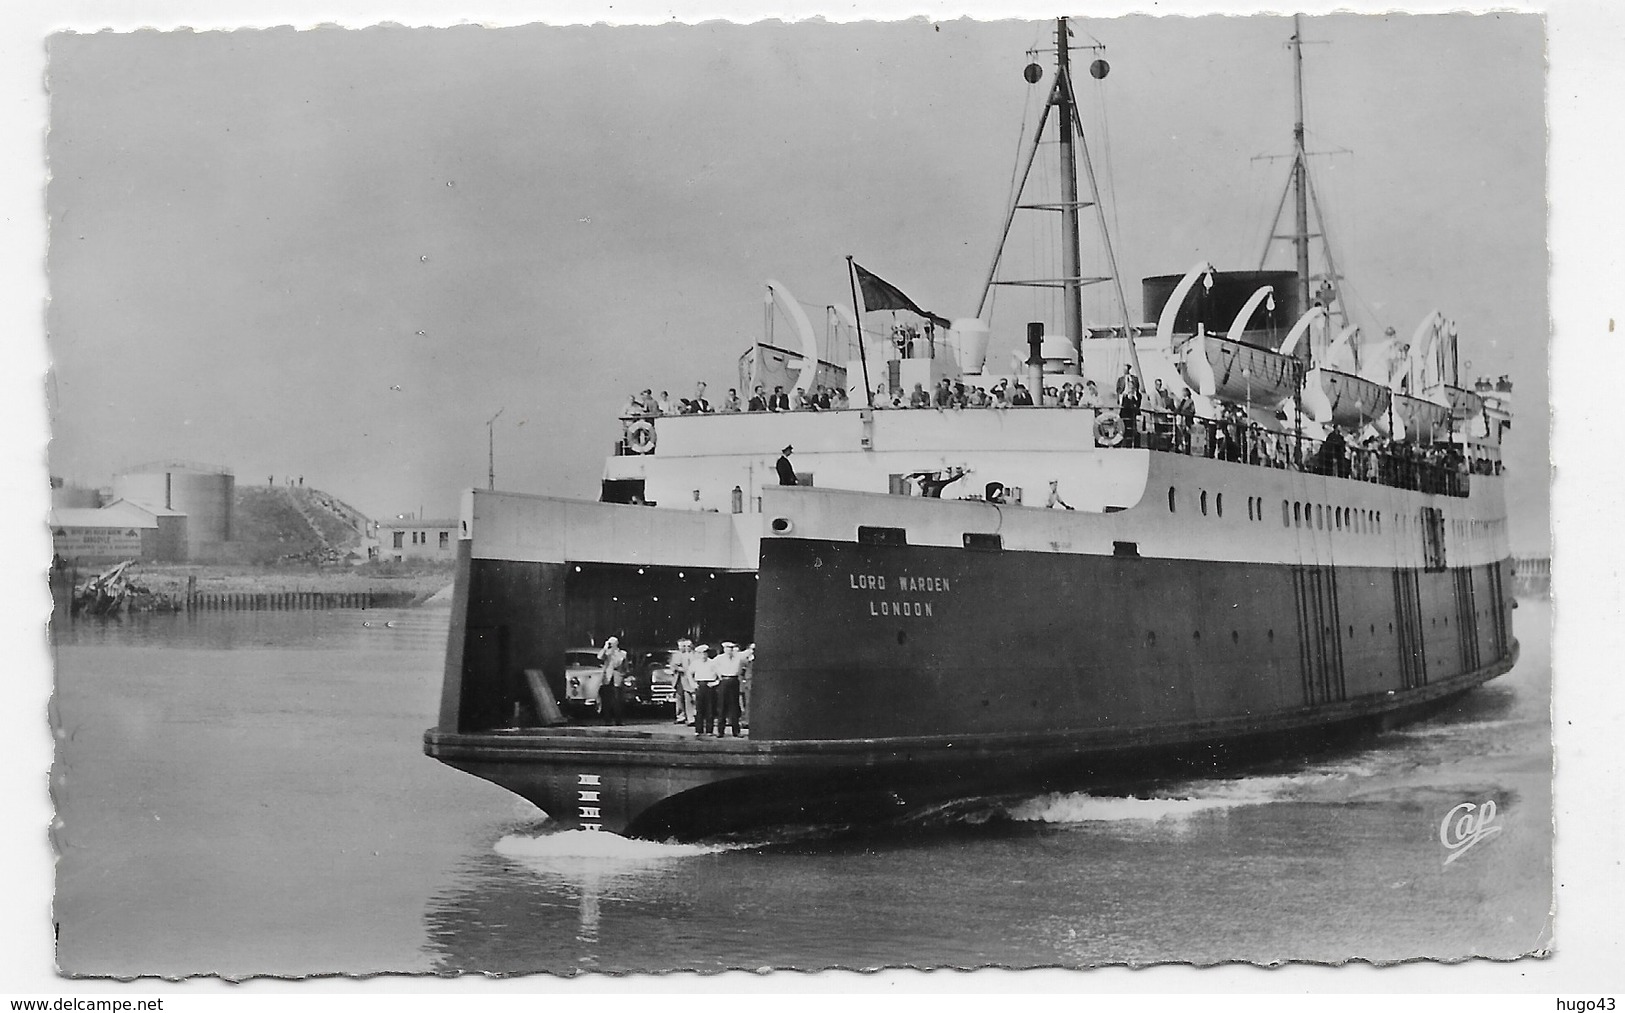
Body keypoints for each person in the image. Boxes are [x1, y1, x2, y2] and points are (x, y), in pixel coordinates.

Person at [713, 642, 746, 737]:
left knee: (734, 706)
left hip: (734, 680)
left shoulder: (738, 657)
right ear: (724, 649)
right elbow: (712, 666)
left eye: (731, 648)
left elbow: (746, 660)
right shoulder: (719, 658)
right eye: (727, 648)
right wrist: (718, 676)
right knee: (722, 706)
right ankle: (720, 731)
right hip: (724, 680)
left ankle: (736, 731)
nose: (729, 650)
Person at [597, 637, 628, 726]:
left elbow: (624, 665)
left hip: (617, 675)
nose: (610, 644)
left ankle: (618, 720)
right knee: (606, 699)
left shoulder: (622, 653)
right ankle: (607, 719)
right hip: (607, 677)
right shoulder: (606, 652)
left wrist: (624, 674)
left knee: (617, 699)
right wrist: (605, 647)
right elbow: (599, 657)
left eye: (612, 643)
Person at [691, 644, 720, 736]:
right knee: (699, 708)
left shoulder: (712, 663)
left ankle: (709, 730)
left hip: (710, 685)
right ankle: (698, 730)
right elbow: (689, 673)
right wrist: (693, 683)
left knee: (710, 708)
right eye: (701, 653)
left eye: (704, 653)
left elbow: (720, 676)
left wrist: (714, 683)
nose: (703, 655)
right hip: (700, 685)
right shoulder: (695, 663)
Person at [670, 638, 694, 724]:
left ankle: (691, 718)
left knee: (689, 698)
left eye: (685, 646)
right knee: (679, 698)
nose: (682, 648)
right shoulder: (676, 655)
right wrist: (677, 668)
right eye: (680, 646)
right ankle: (680, 716)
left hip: (688, 678)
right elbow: (672, 666)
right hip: (678, 678)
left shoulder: (693, 655)